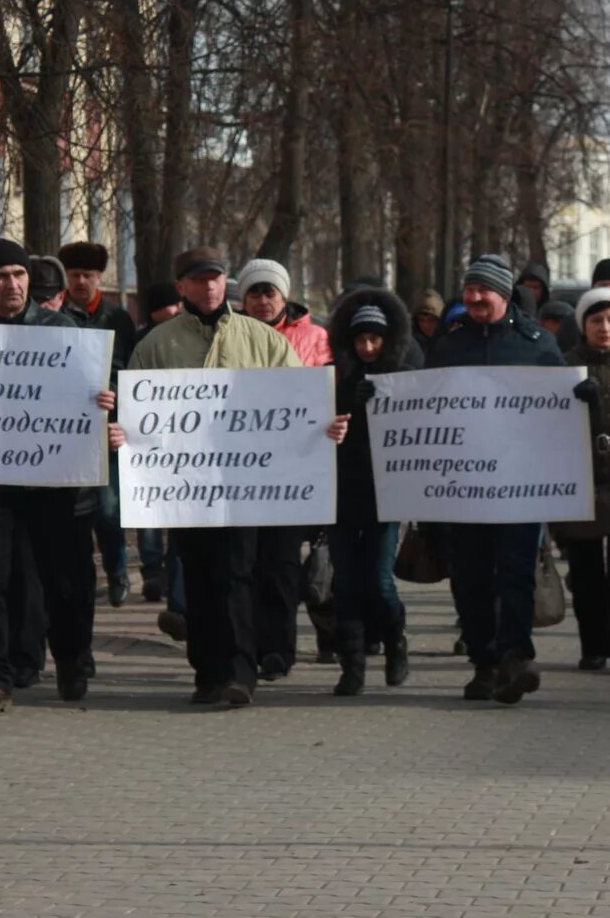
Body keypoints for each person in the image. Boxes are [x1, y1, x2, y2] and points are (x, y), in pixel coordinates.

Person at [128, 248, 346, 706]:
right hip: (185, 486)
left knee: (237, 573)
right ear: (182, 285)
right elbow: (138, 413)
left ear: (225, 282)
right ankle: (207, 672)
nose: (209, 287)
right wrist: (121, 433)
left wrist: (325, 427)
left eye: (216, 278)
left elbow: (297, 402)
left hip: (245, 485)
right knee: (200, 577)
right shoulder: (155, 344)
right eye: (198, 279)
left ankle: (240, 673)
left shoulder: (261, 338)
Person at [0, 238, 124, 717]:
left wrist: (107, 400)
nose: (11, 284)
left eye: (18, 274)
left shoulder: (64, 330)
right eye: (0, 277)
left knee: (67, 581)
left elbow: (101, 387)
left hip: (58, 482)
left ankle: (72, 662)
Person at [425, 253, 567, 704]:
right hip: (462, 483)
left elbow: (563, 408)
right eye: (468, 290)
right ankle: (484, 662)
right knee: (469, 577)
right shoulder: (449, 344)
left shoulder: (537, 343)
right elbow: (424, 402)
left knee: (516, 573)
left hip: (518, 482)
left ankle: (515, 657)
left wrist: (582, 397)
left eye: (482, 290)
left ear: (503, 294)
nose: (473, 298)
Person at [235, 257, 330, 676]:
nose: (260, 300)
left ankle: (279, 650)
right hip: (238, 467)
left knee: (281, 563)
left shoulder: (315, 337)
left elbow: (329, 393)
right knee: (245, 563)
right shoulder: (229, 334)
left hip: (293, 469)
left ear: (284, 295)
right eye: (253, 292)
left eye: (268, 291)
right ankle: (246, 646)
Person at [326, 288, 416, 694]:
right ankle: (353, 666)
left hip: (386, 495)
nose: (367, 347)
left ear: (386, 340)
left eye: (374, 339)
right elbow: (316, 432)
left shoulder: (404, 380)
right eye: (360, 339)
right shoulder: (334, 379)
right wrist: (341, 416)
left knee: (380, 581)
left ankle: (395, 640)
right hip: (343, 494)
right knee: (345, 582)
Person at [551, 288, 610, 673]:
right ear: (583, 326)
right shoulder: (566, 367)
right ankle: (593, 646)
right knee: (586, 571)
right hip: (581, 480)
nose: (604, 328)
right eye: (595, 320)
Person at [58, 241, 148, 607]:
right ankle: (80, 577)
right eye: (75, 275)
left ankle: (117, 570)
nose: (81, 281)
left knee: (110, 510)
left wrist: (116, 395)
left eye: (88, 275)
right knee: (74, 512)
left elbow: (130, 370)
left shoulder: (118, 318)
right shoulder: (58, 315)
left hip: (109, 428)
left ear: (100, 278)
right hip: (67, 432)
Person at [239, 257, 331, 366]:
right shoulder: (227, 336)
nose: (263, 302)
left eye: (270, 294)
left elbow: (328, 379)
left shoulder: (315, 337)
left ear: (284, 299)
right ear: (244, 302)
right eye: (255, 294)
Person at [411, 289, 446, 356]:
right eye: (421, 320)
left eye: (431, 320)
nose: (426, 326)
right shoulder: (412, 346)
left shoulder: (450, 343)